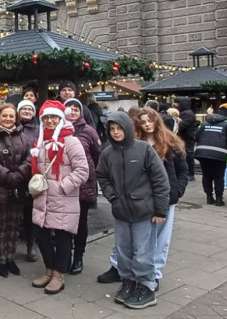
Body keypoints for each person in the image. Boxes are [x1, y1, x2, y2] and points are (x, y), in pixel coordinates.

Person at [96, 112, 170, 310]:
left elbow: (161, 181)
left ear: (127, 128)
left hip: (143, 211)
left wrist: (160, 210)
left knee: (144, 251)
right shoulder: (107, 153)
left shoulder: (144, 149)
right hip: (121, 211)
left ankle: (146, 286)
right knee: (123, 250)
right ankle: (128, 281)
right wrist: (112, 196)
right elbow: (101, 176)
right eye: (112, 129)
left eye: (119, 128)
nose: (115, 132)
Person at [29, 100, 89, 295]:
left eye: (54, 117)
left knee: (63, 237)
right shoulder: (40, 142)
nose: (50, 121)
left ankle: (59, 275)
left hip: (63, 198)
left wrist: (63, 187)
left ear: (61, 119)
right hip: (42, 199)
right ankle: (49, 270)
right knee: (42, 236)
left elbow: (82, 170)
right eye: (46, 118)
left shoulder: (71, 141)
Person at [136, 108, 187, 287]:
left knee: (161, 238)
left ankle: (155, 274)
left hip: (166, 198)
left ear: (156, 121)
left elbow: (182, 171)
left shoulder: (170, 142)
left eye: (149, 120)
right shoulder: (137, 143)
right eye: (143, 122)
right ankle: (141, 272)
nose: (147, 124)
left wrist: (178, 190)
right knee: (143, 238)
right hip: (143, 198)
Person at [0, 103, 32, 277]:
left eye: (11, 116)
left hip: (18, 187)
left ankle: (11, 257)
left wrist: (18, 175)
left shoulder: (24, 137)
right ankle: (0, 259)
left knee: (14, 225)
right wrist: (8, 176)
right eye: (5, 116)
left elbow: (30, 158)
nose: (8, 119)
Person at [63, 98, 101, 275]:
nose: (72, 111)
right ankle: (65, 255)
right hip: (63, 185)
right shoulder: (58, 131)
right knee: (64, 223)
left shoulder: (89, 131)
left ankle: (78, 256)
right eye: (69, 108)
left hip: (83, 184)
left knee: (80, 223)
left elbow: (96, 155)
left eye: (76, 109)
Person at [195, 108, 227, 206]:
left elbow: (196, 137)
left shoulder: (204, 124)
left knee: (206, 175)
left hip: (202, 153)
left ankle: (209, 197)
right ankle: (219, 199)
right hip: (219, 153)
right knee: (218, 176)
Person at [16, 99, 39, 262]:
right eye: (23, 108)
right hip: (14, 174)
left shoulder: (39, 130)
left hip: (32, 175)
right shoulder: (13, 128)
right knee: (15, 211)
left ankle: (32, 245)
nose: (26, 111)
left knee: (31, 212)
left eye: (29, 109)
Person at [173, 97, 198, 181]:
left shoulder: (187, 114)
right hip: (184, 137)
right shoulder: (185, 112)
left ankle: (190, 173)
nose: (175, 104)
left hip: (187, 137)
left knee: (189, 155)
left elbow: (182, 125)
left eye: (177, 103)